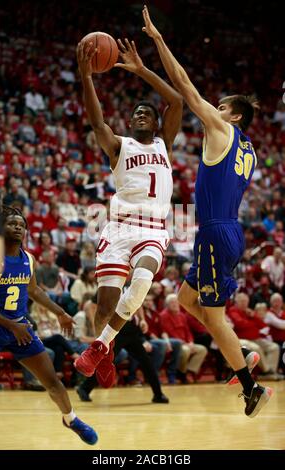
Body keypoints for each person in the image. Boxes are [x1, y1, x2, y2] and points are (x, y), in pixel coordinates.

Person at [141, 5, 272, 417]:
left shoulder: (222, 130)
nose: (211, 109)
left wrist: (159, 41)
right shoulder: (248, 149)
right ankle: (240, 353)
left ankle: (251, 385)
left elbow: (183, 87)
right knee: (184, 299)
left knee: (213, 319)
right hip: (226, 228)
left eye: (220, 106)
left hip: (217, 230)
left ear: (232, 116)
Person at [74, 37, 183, 386]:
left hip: (152, 229)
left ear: (155, 123)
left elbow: (177, 100)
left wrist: (141, 69)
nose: (140, 115)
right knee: (105, 306)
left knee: (140, 284)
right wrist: (86, 76)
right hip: (119, 228)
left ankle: (99, 346)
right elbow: (96, 123)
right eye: (136, 112)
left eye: (146, 113)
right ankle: (105, 354)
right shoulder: (120, 145)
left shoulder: (166, 140)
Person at [0, 205, 97, 445]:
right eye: (12, 224)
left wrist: (60, 312)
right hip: (7, 325)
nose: (18, 228)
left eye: (21, 225)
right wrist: (12, 326)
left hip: (20, 327)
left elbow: (34, 290)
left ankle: (70, 418)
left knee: (52, 380)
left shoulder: (28, 259)